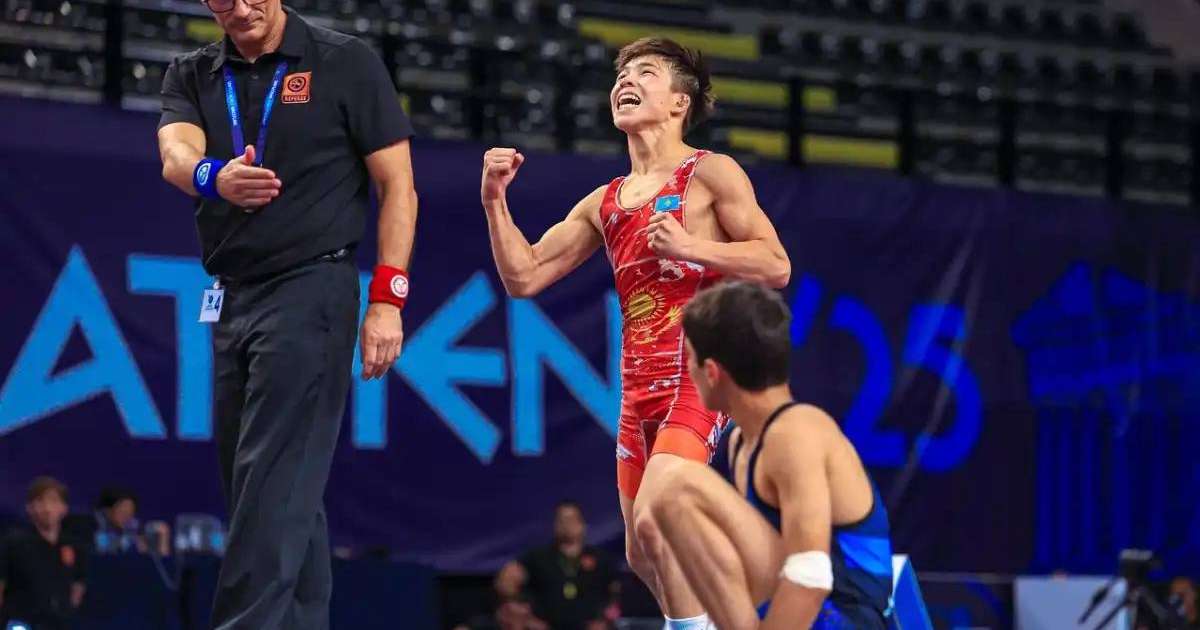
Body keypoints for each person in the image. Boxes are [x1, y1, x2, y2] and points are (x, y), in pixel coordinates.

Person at [480, 37, 790, 628]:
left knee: (657, 515)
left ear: (679, 102)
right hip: (637, 390)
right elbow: (524, 275)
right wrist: (495, 202)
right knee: (641, 550)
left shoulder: (710, 173)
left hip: (697, 377)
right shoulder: (606, 201)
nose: (625, 80)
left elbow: (776, 264)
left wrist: (691, 246)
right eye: (621, 72)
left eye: (645, 72)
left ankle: (760, 580)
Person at [155, 0, 417, 625]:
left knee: (271, 481)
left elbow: (398, 186)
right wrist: (213, 175)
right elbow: (175, 155)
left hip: (312, 288)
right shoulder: (193, 74)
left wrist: (387, 297)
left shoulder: (343, 61)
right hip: (231, 295)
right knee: (269, 487)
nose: (241, 9)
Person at [636, 282, 894, 629]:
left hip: (845, 618)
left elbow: (811, 577)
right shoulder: (744, 440)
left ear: (712, 372)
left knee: (680, 486)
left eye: (689, 360)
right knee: (674, 497)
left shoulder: (796, 434)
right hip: (803, 613)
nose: (688, 373)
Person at [494, 501, 618, 630]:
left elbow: (616, 596)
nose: (566, 524)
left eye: (571, 519)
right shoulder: (538, 557)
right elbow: (505, 582)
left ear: (583, 524)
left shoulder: (601, 559)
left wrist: (606, 621)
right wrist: (524, 615)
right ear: (554, 525)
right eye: (561, 520)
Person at [0, 477, 88, 630]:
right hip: (20, 623)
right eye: (40, 502)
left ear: (64, 508)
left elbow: (78, 583)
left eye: (54, 501)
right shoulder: (13, 542)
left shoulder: (73, 545)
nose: (47, 508)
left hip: (59, 623)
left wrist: (65, 609)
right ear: (29, 508)